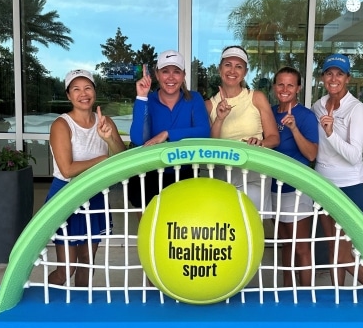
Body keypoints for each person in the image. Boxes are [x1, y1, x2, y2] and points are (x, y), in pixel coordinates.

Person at [47, 69, 126, 286]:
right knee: (66, 269)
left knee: (87, 262)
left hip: (95, 194)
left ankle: (81, 304)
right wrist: (102, 160)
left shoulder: (105, 121)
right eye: (76, 89)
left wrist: (108, 139)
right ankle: (47, 302)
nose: (83, 93)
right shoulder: (61, 124)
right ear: (68, 95)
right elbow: (67, 170)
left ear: (94, 92)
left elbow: (122, 157)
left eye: (88, 88)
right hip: (67, 195)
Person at [312, 53, 363, 285]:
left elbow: (354, 156)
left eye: (339, 74)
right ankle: (339, 295)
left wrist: (330, 133)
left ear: (348, 78)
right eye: (329, 73)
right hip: (323, 184)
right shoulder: (318, 106)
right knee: (333, 247)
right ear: (322, 78)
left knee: (344, 254)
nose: (333, 78)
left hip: (349, 186)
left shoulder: (357, 109)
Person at [128, 50, 210, 207]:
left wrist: (167, 134)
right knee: (146, 209)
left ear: (184, 75)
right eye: (165, 71)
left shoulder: (194, 98)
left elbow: (204, 132)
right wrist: (141, 97)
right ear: (157, 75)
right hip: (150, 172)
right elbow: (138, 139)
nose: (171, 77)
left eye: (176, 72)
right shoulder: (147, 100)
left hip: (185, 171)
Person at [205, 45, 279, 210]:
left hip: (254, 173)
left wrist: (260, 143)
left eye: (238, 66)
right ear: (219, 69)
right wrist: (220, 119)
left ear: (245, 72)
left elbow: (274, 138)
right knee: (225, 222)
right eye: (228, 65)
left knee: (250, 222)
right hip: (222, 174)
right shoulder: (209, 105)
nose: (232, 70)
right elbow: (211, 146)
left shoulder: (257, 97)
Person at [271, 66, 319, 286]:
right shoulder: (269, 112)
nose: (285, 89)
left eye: (290, 85)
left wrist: (294, 128)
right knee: (285, 244)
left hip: (296, 190)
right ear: (274, 87)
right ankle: (288, 292)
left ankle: (307, 295)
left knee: (301, 247)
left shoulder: (306, 116)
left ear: (298, 88)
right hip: (272, 188)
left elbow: (311, 154)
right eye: (280, 84)